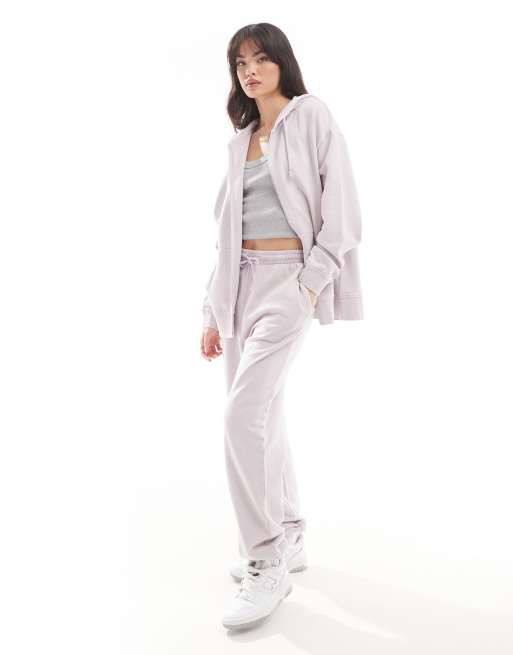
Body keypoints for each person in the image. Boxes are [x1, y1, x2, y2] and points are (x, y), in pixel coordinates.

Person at [199, 22, 364, 631]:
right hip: (239, 287)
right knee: (263, 413)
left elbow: (342, 214)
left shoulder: (312, 116)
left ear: (281, 63)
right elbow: (225, 233)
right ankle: (289, 534)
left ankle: (264, 559)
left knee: (242, 416)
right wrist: (211, 309)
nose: (250, 70)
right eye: (240, 62)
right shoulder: (240, 139)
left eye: (260, 58)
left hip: (288, 282)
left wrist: (309, 283)